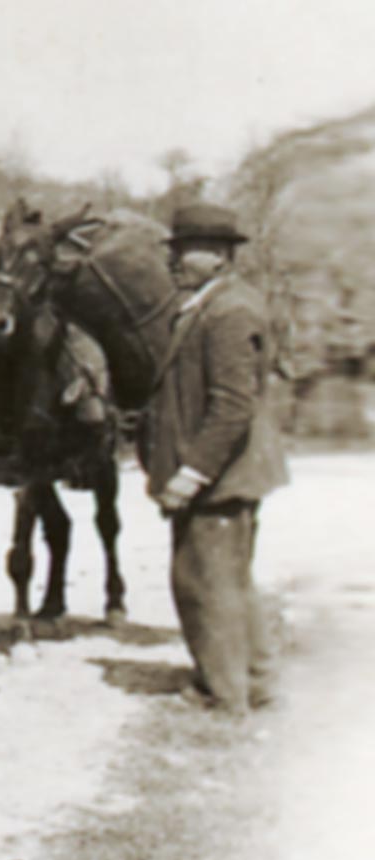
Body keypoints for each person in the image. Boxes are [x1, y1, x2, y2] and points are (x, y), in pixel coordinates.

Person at [145, 201, 289, 715]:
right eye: (177, 249)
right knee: (228, 577)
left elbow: (232, 405)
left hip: (221, 474)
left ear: (222, 257)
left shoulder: (230, 311)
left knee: (207, 581)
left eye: (188, 250)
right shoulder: (212, 304)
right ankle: (254, 681)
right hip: (223, 473)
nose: (176, 259)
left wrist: (193, 472)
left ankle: (223, 696)